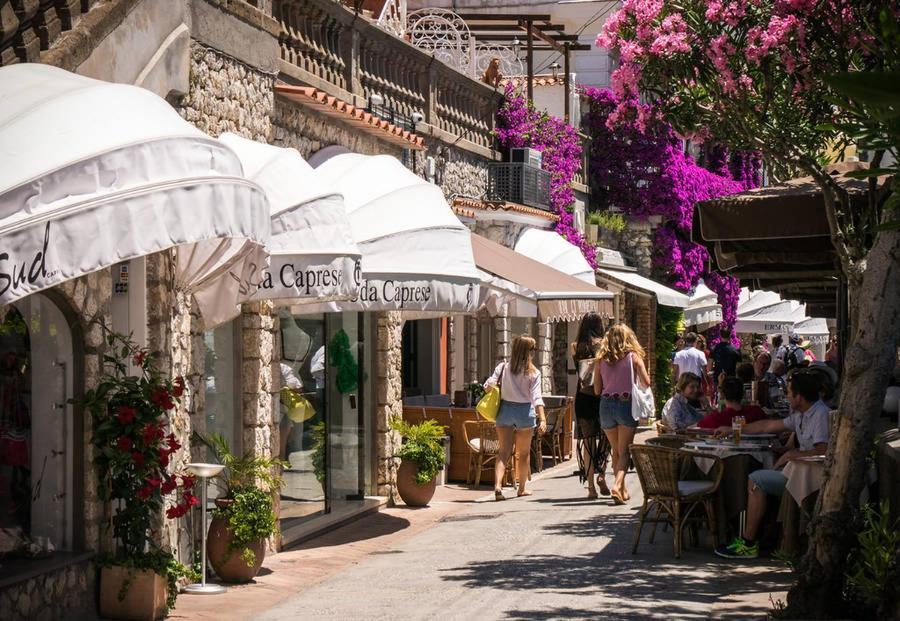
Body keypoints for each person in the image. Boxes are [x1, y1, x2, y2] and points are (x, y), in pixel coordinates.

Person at [714, 372, 830, 559]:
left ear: (799, 396)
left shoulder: (820, 414)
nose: (787, 396)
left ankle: (749, 542)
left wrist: (793, 453)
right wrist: (734, 429)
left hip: (812, 478)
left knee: (756, 479)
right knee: (758, 477)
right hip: (798, 472)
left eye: (789, 393)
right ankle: (762, 536)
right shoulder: (802, 414)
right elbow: (767, 426)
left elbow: (823, 450)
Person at [593, 324, 651, 505]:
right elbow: (647, 382)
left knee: (616, 450)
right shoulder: (633, 357)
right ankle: (617, 486)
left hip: (606, 404)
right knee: (625, 451)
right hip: (626, 404)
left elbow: (596, 389)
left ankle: (623, 490)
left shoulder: (600, 360)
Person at [484, 336, 547, 501]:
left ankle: (498, 486)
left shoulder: (503, 367)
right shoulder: (534, 373)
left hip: (505, 409)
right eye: (533, 350)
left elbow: (488, 386)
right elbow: (537, 398)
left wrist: (492, 386)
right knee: (523, 453)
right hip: (524, 412)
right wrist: (543, 419)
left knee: (503, 452)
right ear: (529, 352)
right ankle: (522, 489)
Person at [571, 313, 612, 499]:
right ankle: (602, 474)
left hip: (583, 397)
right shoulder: (604, 345)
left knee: (588, 444)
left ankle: (590, 488)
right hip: (601, 396)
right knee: (607, 438)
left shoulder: (575, 347)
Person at [697, 377, 767, 429]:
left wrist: (706, 405)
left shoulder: (714, 419)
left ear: (723, 395)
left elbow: (693, 428)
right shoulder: (757, 412)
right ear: (743, 394)